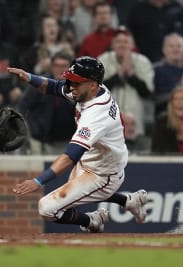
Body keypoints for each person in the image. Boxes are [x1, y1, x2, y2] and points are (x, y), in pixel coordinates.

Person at [8, 56, 148, 233]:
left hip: (103, 174)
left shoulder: (96, 114)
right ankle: (128, 201)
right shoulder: (90, 90)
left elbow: (70, 156)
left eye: (76, 82)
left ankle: (91, 220)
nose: (71, 86)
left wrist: (38, 181)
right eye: (71, 80)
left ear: (92, 84)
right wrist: (29, 77)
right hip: (93, 158)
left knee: (47, 208)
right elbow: (55, 87)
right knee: (70, 200)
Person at [99, 27, 154, 137]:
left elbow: (147, 92)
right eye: (118, 42)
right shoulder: (102, 60)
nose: (122, 45)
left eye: (126, 42)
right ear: (112, 45)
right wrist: (118, 75)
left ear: (132, 45)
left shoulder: (143, 61)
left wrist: (130, 75)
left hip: (136, 119)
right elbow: (96, 91)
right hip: (108, 120)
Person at [17, 52, 76, 155]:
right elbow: (23, 107)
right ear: (52, 67)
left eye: (64, 66)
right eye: (57, 66)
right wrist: (34, 128)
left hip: (71, 142)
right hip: (44, 142)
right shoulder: (39, 84)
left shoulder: (78, 87)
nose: (60, 69)